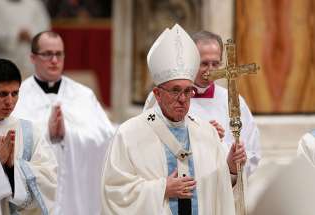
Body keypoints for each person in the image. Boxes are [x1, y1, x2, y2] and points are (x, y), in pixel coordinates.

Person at [101, 24, 246, 215]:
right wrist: (162, 189)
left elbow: (215, 193)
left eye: (188, 91)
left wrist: (230, 168)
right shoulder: (129, 134)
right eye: (175, 90)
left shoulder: (205, 133)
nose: (183, 99)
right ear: (157, 94)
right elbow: (114, 191)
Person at [12, 31, 115, 215]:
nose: (54, 60)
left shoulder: (83, 95)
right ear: (33, 58)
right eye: (47, 54)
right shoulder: (19, 96)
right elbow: (12, 139)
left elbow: (106, 136)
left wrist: (67, 134)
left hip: (78, 195)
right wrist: (47, 133)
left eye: (59, 54)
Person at [144, 30, 260, 176]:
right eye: (204, 64)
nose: (210, 71)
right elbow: (149, 144)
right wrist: (200, 135)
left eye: (215, 64)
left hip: (221, 188)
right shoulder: (163, 96)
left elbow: (252, 152)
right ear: (191, 61)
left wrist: (235, 161)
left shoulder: (233, 101)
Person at [0, 58, 57, 214]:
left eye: (15, 93)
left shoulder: (29, 131)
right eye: (2, 94)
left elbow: (50, 178)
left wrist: (12, 169)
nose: (10, 101)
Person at [0, 0, 50, 80]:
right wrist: (16, 34)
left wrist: (31, 34)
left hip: (29, 61)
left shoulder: (34, 3)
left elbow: (45, 26)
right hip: (3, 58)